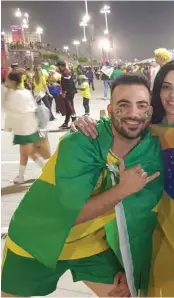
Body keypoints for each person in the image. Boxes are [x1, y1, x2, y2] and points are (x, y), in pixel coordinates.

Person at [1, 74, 164, 297]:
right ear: (109, 108)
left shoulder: (149, 153)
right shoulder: (80, 141)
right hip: (36, 238)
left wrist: (131, 268)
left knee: (126, 294)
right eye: (123, 105)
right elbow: (70, 214)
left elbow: (142, 219)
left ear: (150, 111)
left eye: (141, 105)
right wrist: (122, 190)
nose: (133, 114)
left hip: (90, 243)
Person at [71, 61, 174, 296]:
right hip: (145, 228)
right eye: (167, 87)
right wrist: (83, 123)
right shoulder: (141, 128)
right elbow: (108, 131)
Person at [2, 72, 45, 184]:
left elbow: (5, 107)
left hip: (23, 128)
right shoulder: (25, 92)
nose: (6, 82)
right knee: (26, 152)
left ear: (13, 81)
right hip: (30, 125)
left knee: (28, 152)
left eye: (8, 80)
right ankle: (21, 175)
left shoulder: (13, 94)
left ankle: (44, 169)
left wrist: (5, 92)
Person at [57, 61, 77, 129]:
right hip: (69, 92)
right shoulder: (65, 72)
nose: (58, 68)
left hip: (68, 93)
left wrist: (64, 92)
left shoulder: (65, 73)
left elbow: (68, 84)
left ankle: (75, 122)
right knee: (68, 108)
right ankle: (66, 123)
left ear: (61, 66)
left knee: (70, 107)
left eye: (59, 66)